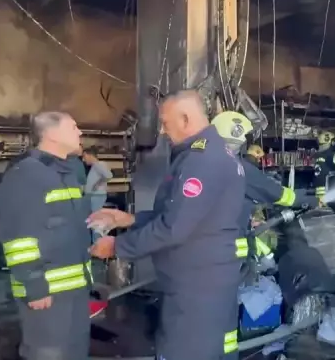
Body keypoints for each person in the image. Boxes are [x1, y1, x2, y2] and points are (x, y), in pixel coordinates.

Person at [87, 90, 246, 360]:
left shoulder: (202, 161)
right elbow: (185, 218)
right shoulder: (211, 154)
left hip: (196, 288)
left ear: (185, 119)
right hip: (205, 281)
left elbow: (174, 228)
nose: (162, 131)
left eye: (165, 123)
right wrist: (130, 219)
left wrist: (117, 246)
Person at [0, 111, 91, 360]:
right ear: (52, 134)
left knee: (75, 352)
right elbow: (18, 238)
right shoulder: (27, 174)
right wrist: (35, 286)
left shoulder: (68, 171)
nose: (80, 132)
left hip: (75, 289)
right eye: (73, 127)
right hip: (46, 293)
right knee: (47, 354)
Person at [210, 111, 317, 266]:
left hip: (206, 247)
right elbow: (275, 192)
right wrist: (307, 199)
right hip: (227, 256)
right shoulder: (236, 167)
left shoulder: (202, 161)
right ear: (236, 136)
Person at [81, 146, 113, 214]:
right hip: (93, 196)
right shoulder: (94, 166)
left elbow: (109, 175)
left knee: (95, 217)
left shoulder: (98, 165)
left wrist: (98, 183)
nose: (83, 159)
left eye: (84, 156)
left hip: (97, 196)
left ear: (89, 155)